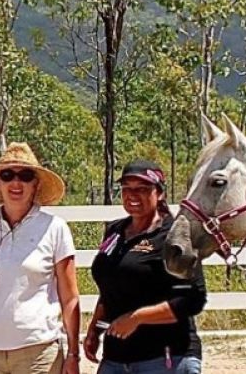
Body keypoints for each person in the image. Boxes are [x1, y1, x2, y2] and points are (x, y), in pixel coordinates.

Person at [0, 143, 81, 374]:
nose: (16, 183)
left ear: (35, 184)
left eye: (25, 176)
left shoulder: (54, 228)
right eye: (7, 175)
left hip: (38, 350)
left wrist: (74, 353)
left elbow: (69, 296)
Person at [86, 159, 207, 374]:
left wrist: (137, 318)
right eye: (127, 188)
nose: (133, 195)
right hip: (116, 357)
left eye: (142, 189)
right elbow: (110, 288)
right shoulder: (115, 231)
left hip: (165, 356)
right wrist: (95, 328)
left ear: (159, 193)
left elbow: (191, 300)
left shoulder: (174, 236)